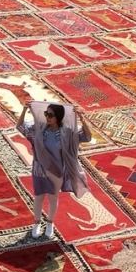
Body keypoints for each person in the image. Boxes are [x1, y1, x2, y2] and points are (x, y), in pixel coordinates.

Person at [16, 100, 91, 238]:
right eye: (46, 114)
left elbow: (86, 137)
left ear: (58, 117)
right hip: (39, 169)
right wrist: (24, 110)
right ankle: (37, 223)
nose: (47, 117)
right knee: (38, 197)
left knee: (52, 197)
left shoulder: (67, 133)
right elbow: (20, 127)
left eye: (50, 115)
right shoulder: (39, 130)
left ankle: (50, 223)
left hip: (56, 171)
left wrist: (82, 118)